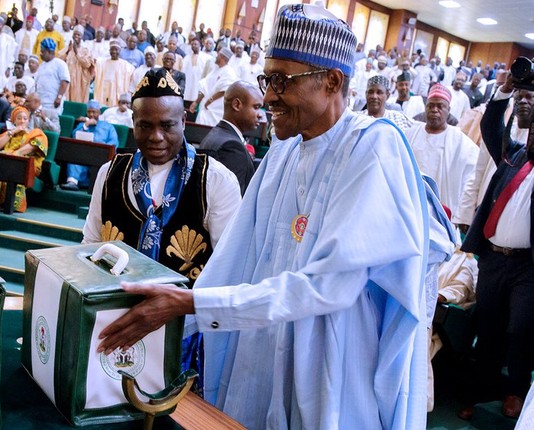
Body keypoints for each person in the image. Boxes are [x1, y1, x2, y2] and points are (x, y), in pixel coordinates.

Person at [96, 5, 430, 429]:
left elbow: (328, 287)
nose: (269, 96)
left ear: (332, 81)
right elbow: (232, 263)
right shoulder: (283, 154)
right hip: (259, 350)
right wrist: (170, 317)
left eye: (281, 81)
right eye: (266, 79)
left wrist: (191, 304)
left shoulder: (373, 148)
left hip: (331, 360)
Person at [81, 66, 240, 281]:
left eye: (167, 126)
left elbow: (228, 264)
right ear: (133, 122)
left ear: (183, 121)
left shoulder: (216, 180)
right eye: (145, 126)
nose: (156, 136)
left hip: (185, 312)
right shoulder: (109, 174)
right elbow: (91, 244)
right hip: (116, 308)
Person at [459, 74, 534, 421]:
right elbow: (491, 123)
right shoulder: (513, 156)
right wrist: (505, 90)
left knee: (520, 328)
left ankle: (516, 391)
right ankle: (479, 390)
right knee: (486, 325)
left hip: (527, 267)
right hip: (494, 259)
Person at [404, 84, 478, 212]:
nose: (434, 110)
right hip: (410, 205)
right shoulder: (410, 134)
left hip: (441, 209)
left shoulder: (461, 142)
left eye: (440, 106)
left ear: (448, 109)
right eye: (430, 105)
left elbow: (472, 178)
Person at [198, 81, 260, 195]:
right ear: (237, 105)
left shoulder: (216, 134)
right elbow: (232, 201)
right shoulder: (232, 147)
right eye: (256, 107)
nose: (260, 114)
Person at [0, 105, 47, 212]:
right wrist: (12, 132)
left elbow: (22, 152)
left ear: (28, 120)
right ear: (13, 121)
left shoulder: (35, 133)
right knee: (0, 163)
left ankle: (7, 204)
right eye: (19, 118)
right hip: (7, 159)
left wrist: (8, 155)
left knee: (9, 164)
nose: (22, 121)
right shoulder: (8, 134)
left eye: (25, 118)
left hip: (26, 163)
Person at [61, 100, 119, 190]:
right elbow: (75, 136)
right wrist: (86, 125)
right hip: (83, 153)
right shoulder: (83, 124)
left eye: (94, 112)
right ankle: (72, 182)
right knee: (75, 154)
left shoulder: (108, 127)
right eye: (89, 112)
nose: (91, 114)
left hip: (101, 155)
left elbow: (114, 143)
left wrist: (102, 148)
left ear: (99, 113)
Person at [190, 48, 238, 126]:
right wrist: (196, 102)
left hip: (217, 110)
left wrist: (210, 101)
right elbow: (205, 87)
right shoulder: (215, 70)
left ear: (223, 57)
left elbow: (224, 91)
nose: (216, 56)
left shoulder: (229, 72)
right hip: (205, 108)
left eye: (218, 55)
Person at [93, 41, 135, 107]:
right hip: (105, 91)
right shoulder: (103, 63)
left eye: (116, 49)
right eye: (112, 49)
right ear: (109, 50)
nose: (114, 51)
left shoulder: (126, 65)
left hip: (117, 92)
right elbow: (95, 66)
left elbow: (132, 74)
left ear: (120, 51)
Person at [60, 25, 94, 104]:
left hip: (79, 82)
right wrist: (68, 51)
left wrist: (77, 53)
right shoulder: (67, 48)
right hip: (67, 80)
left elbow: (87, 64)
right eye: (75, 34)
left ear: (82, 37)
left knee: (76, 101)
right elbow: (59, 62)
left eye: (78, 35)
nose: (76, 36)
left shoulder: (85, 50)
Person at [34, 39, 70, 115]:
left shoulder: (60, 64)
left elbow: (64, 81)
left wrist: (59, 97)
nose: (40, 53)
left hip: (53, 103)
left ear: (49, 52)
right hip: (41, 102)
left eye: (43, 51)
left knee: (51, 125)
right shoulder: (42, 65)